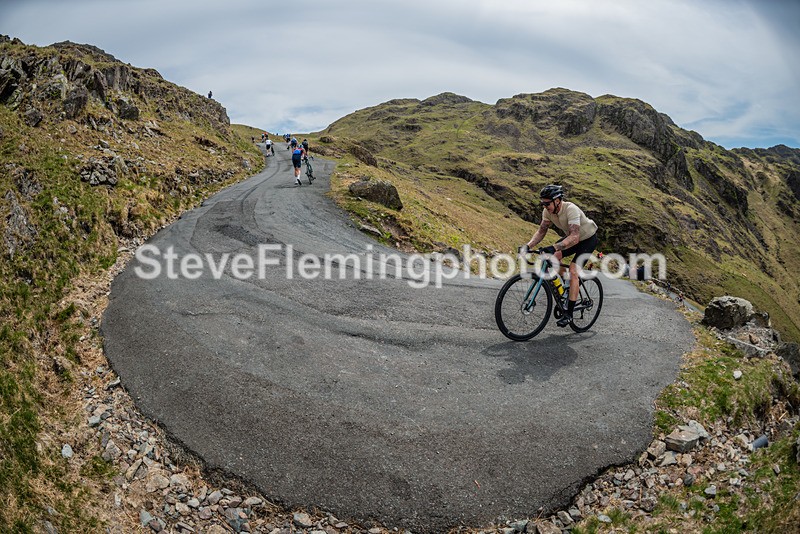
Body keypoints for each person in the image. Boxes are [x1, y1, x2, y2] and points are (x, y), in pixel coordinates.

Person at [525, 184, 599, 327]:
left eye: (547, 203)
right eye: (542, 203)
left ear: (557, 200)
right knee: (550, 259)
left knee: (573, 270)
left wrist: (554, 247)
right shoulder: (547, 212)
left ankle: (569, 314)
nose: (545, 206)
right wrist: (528, 246)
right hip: (572, 239)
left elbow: (575, 237)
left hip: (587, 239)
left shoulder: (571, 209)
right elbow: (541, 231)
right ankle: (568, 283)